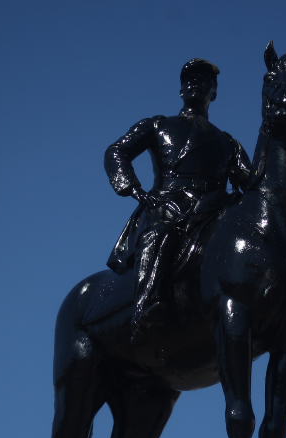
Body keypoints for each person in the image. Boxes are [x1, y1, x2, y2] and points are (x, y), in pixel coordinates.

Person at [104, 58, 252, 337]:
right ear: (181, 91)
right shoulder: (158, 125)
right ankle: (145, 306)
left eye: (204, 81)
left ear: (214, 93)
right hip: (168, 204)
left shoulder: (228, 142)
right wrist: (133, 188)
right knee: (159, 234)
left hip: (213, 209)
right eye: (189, 81)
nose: (195, 84)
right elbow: (116, 151)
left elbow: (251, 182)